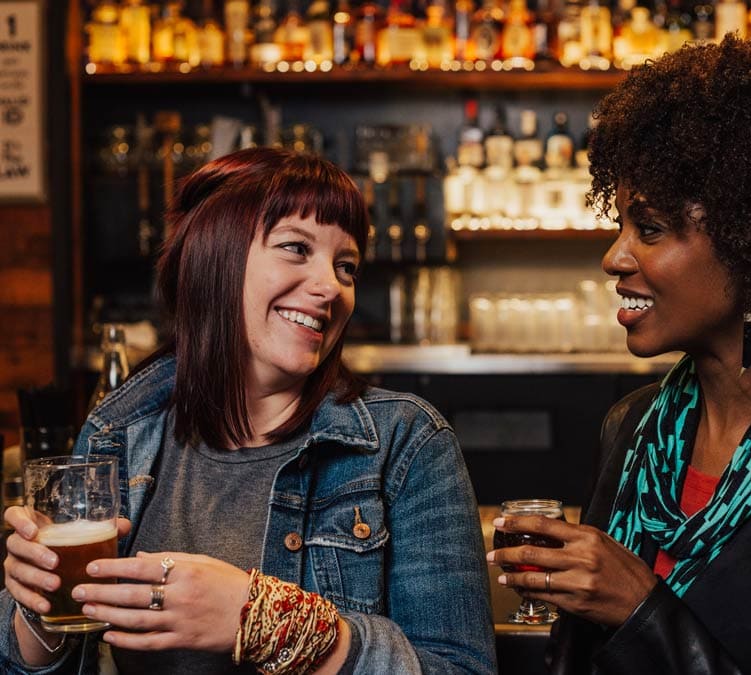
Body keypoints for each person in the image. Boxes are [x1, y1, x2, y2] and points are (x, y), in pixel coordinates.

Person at [488, 36, 751, 673]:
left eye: (648, 228)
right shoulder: (632, 427)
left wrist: (640, 607)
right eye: (619, 224)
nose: (614, 258)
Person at [2, 147, 496, 674]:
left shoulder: (405, 442)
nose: (332, 286)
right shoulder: (118, 435)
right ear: (215, 257)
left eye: (346, 265)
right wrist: (37, 613)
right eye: (295, 248)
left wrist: (266, 621)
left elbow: (459, 669)